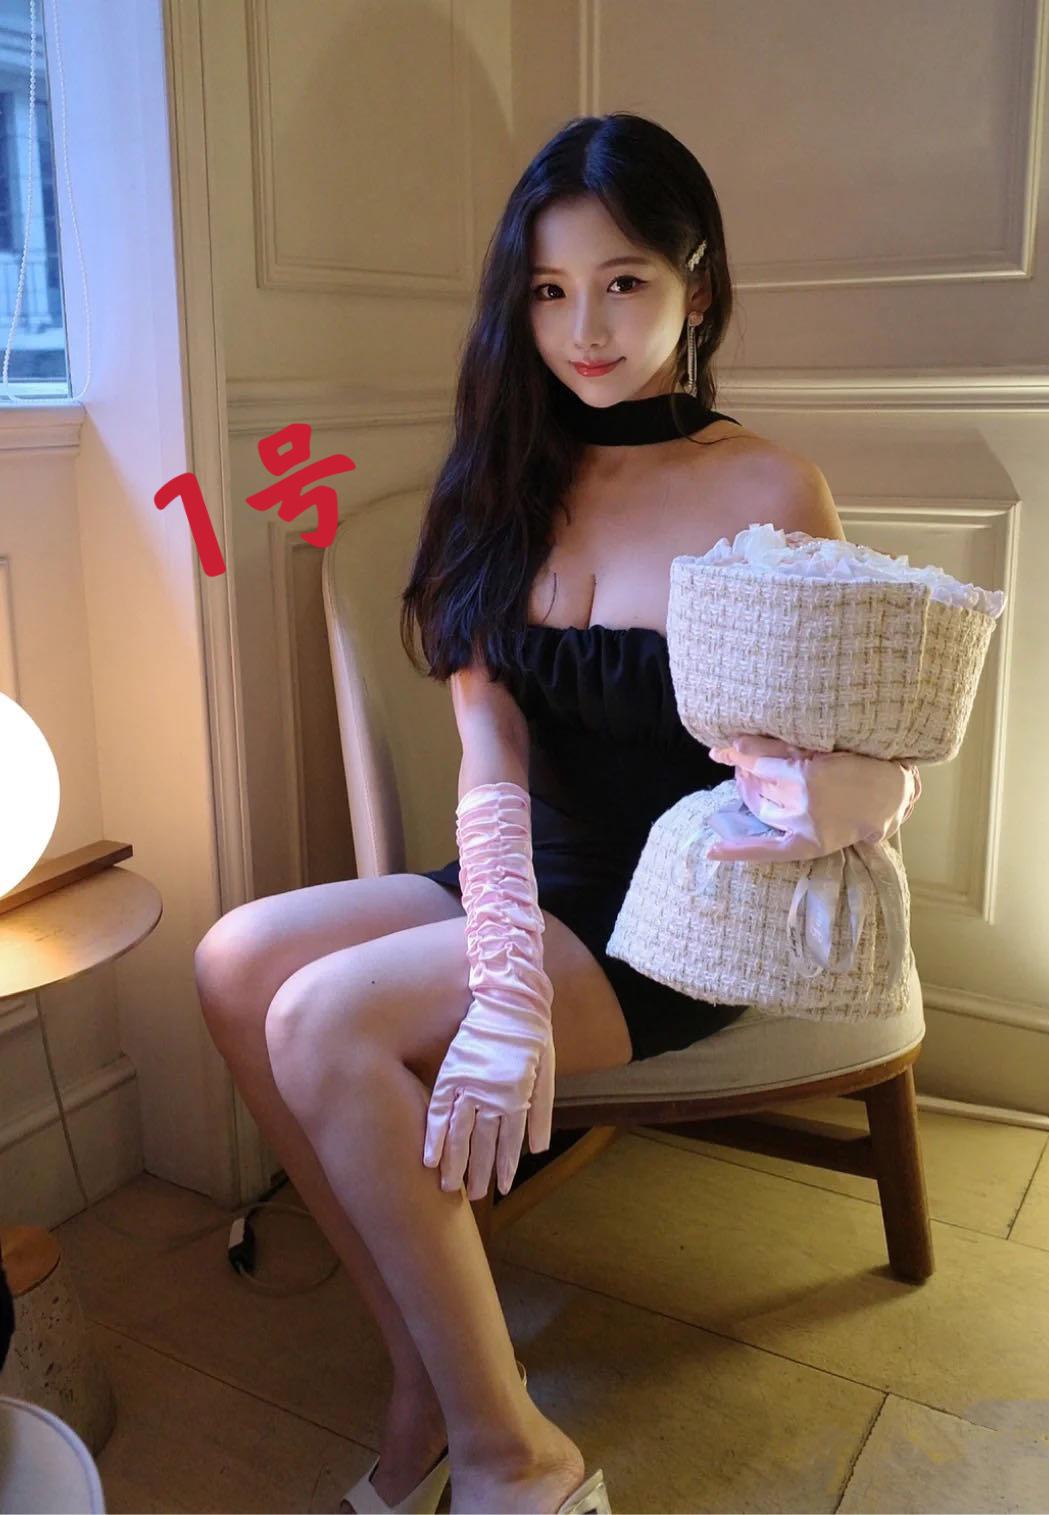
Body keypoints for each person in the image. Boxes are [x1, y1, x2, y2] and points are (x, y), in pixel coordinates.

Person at [194, 111, 844, 1515]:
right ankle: (428, 1375)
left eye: (623, 282)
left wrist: (834, 786)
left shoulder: (770, 489)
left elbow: (824, 762)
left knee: (324, 1020)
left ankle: (518, 1458)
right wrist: (499, 963)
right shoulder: (501, 475)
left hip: (676, 915)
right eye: (548, 291)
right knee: (237, 961)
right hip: (526, 878)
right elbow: (489, 746)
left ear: (697, 289)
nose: (584, 330)